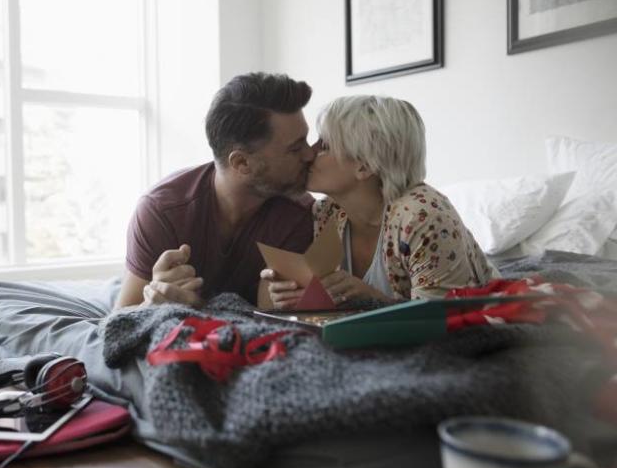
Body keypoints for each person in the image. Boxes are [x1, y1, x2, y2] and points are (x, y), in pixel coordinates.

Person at [262, 95, 497, 308]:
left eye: (324, 145)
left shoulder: (423, 217)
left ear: (364, 166)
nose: (309, 153)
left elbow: (441, 321)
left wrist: (373, 299)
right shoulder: (326, 213)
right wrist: (293, 295)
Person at [116, 72, 318, 309]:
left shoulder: (299, 214)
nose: (310, 154)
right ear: (242, 163)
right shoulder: (162, 211)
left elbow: (273, 313)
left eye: (306, 140)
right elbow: (120, 318)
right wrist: (152, 303)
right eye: (295, 149)